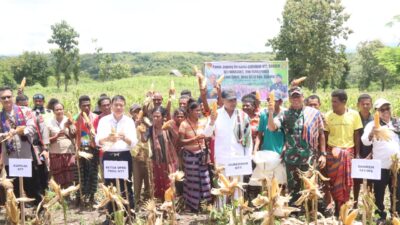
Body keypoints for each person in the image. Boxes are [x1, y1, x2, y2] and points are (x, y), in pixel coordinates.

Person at [267, 86, 326, 206]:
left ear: (303, 97)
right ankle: (295, 212)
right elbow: (272, 127)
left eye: (298, 96)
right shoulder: (285, 114)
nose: (296, 99)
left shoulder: (313, 113)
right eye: (293, 97)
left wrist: (323, 154)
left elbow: (321, 134)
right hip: (291, 158)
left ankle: (309, 211)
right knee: (293, 187)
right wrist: (271, 113)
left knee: (310, 187)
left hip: (309, 158)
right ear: (289, 99)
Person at [0, 87, 47, 205]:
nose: (6, 99)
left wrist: (18, 131)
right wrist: (5, 134)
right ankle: (19, 216)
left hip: (26, 156)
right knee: (14, 188)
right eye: (3, 97)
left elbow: (32, 128)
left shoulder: (25, 111)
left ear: (13, 97)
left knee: (33, 186)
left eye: (8, 97)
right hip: (10, 159)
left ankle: (40, 212)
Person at [96, 95, 137, 222]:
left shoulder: (129, 121)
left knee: (126, 186)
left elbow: (134, 142)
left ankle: (129, 216)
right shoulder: (104, 120)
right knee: (110, 187)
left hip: (124, 156)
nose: (118, 107)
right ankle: (111, 217)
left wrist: (124, 137)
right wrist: (109, 138)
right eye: (116, 105)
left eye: (121, 105)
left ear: (124, 106)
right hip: (109, 156)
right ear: (112, 106)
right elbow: (98, 141)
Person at [361, 98, 400, 224]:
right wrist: (372, 133)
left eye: (387, 108)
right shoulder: (372, 125)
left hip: (397, 165)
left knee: (397, 191)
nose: (385, 111)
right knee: (379, 193)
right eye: (381, 110)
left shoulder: (397, 122)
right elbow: (365, 141)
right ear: (376, 111)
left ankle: (396, 214)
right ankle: (380, 216)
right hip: (381, 165)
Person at [324, 89, 362, 214]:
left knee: (346, 183)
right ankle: (336, 207)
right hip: (332, 153)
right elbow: (324, 135)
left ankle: (344, 207)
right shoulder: (328, 116)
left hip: (348, 153)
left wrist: (356, 154)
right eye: (332, 101)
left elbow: (356, 135)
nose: (332, 104)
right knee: (333, 183)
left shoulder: (354, 115)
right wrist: (323, 153)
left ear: (344, 102)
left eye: (335, 102)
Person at [179, 100, 215, 212]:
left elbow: (208, 135)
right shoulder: (184, 124)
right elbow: (180, 142)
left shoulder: (203, 122)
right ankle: (192, 205)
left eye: (200, 110)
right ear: (189, 111)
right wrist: (194, 139)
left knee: (205, 180)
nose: (199, 112)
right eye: (196, 110)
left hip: (202, 155)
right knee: (192, 181)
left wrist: (206, 138)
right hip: (190, 157)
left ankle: (204, 205)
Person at [141, 107, 178, 201]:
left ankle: (170, 202)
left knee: (169, 181)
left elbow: (177, 139)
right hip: (157, 160)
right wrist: (141, 132)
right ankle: (161, 201)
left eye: (158, 116)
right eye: (153, 117)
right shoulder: (150, 129)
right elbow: (144, 140)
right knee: (158, 181)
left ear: (162, 117)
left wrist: (171, 129)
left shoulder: (167, 127)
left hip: (168, 159)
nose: (155, 119)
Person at [75, 95, 98, 204]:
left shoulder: (95, 118)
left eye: (89, 105)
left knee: (92, 173)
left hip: (92, 148)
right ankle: (80, 196)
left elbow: (98, 134)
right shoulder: (76, 118)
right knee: (81, 173)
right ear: (80, 106)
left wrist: (91, 128)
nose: (87, 108)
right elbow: (73, 134)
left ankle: (92, 196)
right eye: (84, 106)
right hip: (80, 149)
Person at [48, 102, 77, 188]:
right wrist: (56, 136)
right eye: (57, 110)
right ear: (53, 111)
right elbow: (46, 140)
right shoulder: (49, 123)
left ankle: (70, 194)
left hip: (68, 151)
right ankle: (61, 195)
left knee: (70, 174)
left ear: (63, 110)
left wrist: (69, 127)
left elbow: (74, 136)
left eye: (61, 109)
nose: (59, 111)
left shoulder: (69, 120)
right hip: (55, 152)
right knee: (58, 176)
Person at [130, 104, 152, 208]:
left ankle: (147, 200)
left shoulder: (147, 121)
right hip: (135, 154)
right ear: (131, 113)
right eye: (135, 112)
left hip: (146, 154)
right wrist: (135, 125)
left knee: (148, 178)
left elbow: (147, 137)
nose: (138, 113)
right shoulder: (129, 123)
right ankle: (137, 200)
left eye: (139, 111)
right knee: (137, 179)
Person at [353, 94, 373, 207]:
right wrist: (356, 154)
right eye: (363, 104)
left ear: (371, 105)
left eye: (368, 104)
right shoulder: (355, 118)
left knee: (370, 182)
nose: (365, 106)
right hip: (356, 154)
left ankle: (368, 206)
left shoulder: (375, 120)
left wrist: (371, 155)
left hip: (371, 154)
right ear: (358, 105)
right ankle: (355, 204)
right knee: (356, 182)